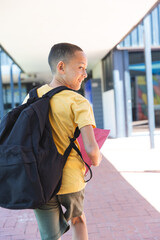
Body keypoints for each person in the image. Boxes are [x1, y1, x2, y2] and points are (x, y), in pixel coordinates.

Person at [32, 43, 102, 240]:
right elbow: (91, 148)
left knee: (49, 235)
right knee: (78, 219)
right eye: (80, 67)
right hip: (70, 179)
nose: (85, 74)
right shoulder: (78, 102)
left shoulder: (31, 98)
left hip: (38, 179)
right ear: (61, 67)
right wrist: (96, 159)